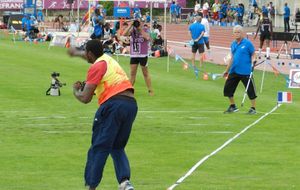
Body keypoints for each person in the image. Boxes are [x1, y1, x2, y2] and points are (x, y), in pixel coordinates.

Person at [68, 39, 137, 190]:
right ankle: (125, 183)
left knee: (99, 147)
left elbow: (85, 98)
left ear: (90, 54)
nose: (84, 55)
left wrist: (75, 91)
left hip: (114, 106)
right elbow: (92, 59)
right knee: (117, 147)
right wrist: (75, 53)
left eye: (85, 53)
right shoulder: (107, 59)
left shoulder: (96, 66)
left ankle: (91, 186)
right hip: (130, 105)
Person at [223, 25, 257, 114]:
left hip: (245, 71)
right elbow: (232, 58)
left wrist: (254, 60)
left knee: (250, 90)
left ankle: (253, 108)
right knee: (227, 89)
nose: (237, 34)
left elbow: (253, 54)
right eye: (235, 32)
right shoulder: (233, 44)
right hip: (234, 70)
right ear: (233, 34)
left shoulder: (247, 43)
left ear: (242, 33)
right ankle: (233, 106)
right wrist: (227, 70)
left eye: (238, 32)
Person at [123, 19, 154, 96]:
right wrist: (130, 25)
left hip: (143, 54)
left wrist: (140, 29)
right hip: (134, 54)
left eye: (139, 22)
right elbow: (124, 34)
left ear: (142, 23)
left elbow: (147, 38)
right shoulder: (132, 30)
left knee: (145, 73)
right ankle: (129, 90)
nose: (137, 24)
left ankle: (150, 90)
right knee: (132, 73)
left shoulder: (145, 29)